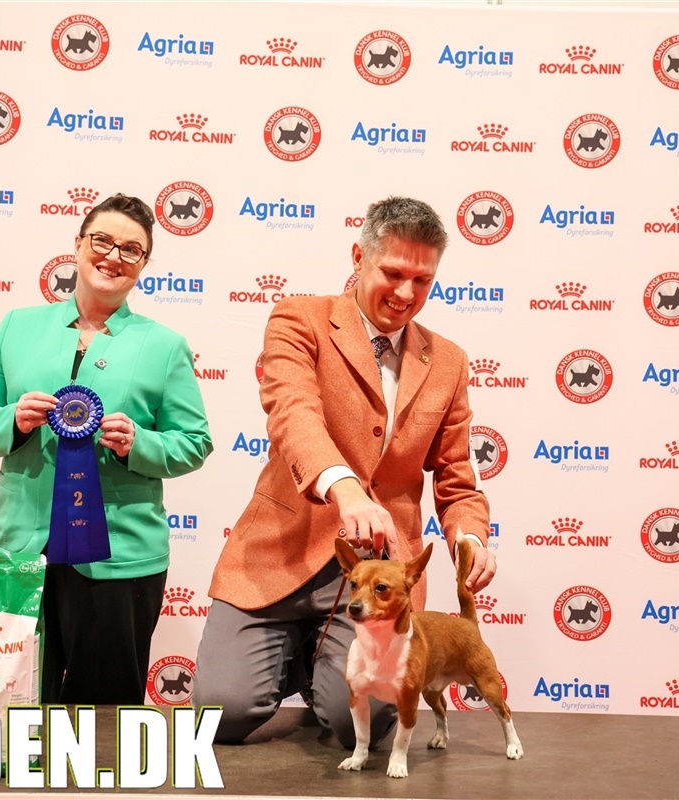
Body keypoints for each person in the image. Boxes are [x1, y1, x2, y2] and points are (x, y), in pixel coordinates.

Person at [193, 196, 496, 746]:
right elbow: (294, 415)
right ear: (359, 257)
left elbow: (456, 474)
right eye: (393, 273)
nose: (406, 293)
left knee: (365, 724)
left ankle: (329, 675)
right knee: (223, 714)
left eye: (422, 280)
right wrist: (347, 490)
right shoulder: (298, 318)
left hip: (378, 577)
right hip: (279, 554)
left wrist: (470, 538)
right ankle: (305, 659)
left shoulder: (448, 361)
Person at [0, 193, 213, 705]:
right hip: (21, 554)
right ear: (77, 245)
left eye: (131, 249)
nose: (114, 256)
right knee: (11, 706)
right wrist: (13, 420)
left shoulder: (164, 346)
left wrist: (139, 444)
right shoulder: (16, 327)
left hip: (120, 559)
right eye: (102, 241)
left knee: (105, 723)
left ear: (143, 264)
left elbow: (194, 442)